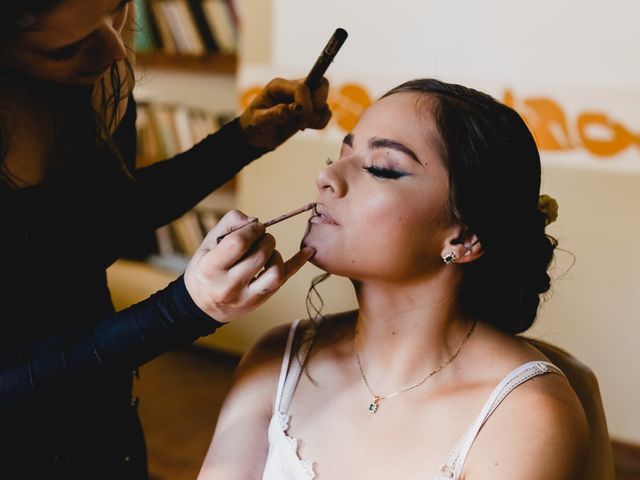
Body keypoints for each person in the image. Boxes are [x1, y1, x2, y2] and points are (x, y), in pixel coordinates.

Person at [197, 78, 590, 479]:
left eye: (380, 168)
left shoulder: (524, 415)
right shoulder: (277, 359)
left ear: (465, 236)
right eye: (339, 155)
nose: (327, 177)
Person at [0, 0, 330, 477]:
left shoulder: (98, 85)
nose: (115, 50)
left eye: (117, 10)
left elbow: (99, 222)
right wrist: (180, 310)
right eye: (70, 46)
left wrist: (241, 141)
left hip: (103, 419)